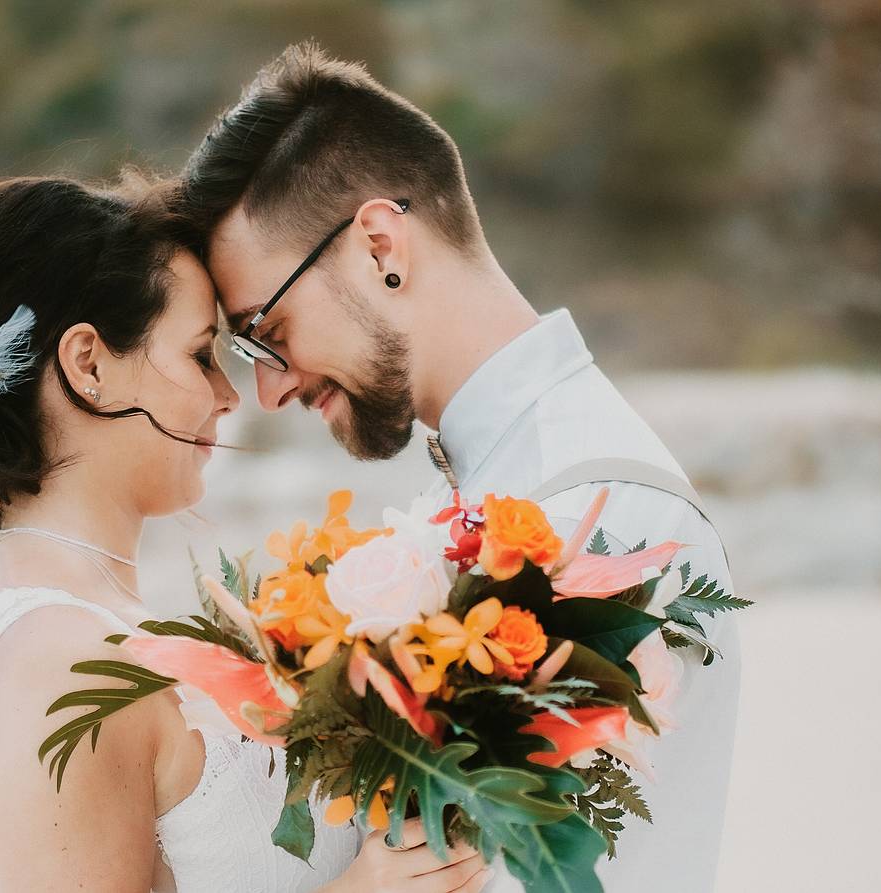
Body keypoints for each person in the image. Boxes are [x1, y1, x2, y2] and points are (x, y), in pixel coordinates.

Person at [179, 43, 742, 893]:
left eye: (268, 327)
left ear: (379, 245)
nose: (268, 386)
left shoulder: (602, 513)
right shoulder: (512, 481)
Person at [0, 174, 492, 891]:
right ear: (90, 366)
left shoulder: (73, 618)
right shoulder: (57, 661)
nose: (230, 395)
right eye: (201, 354)